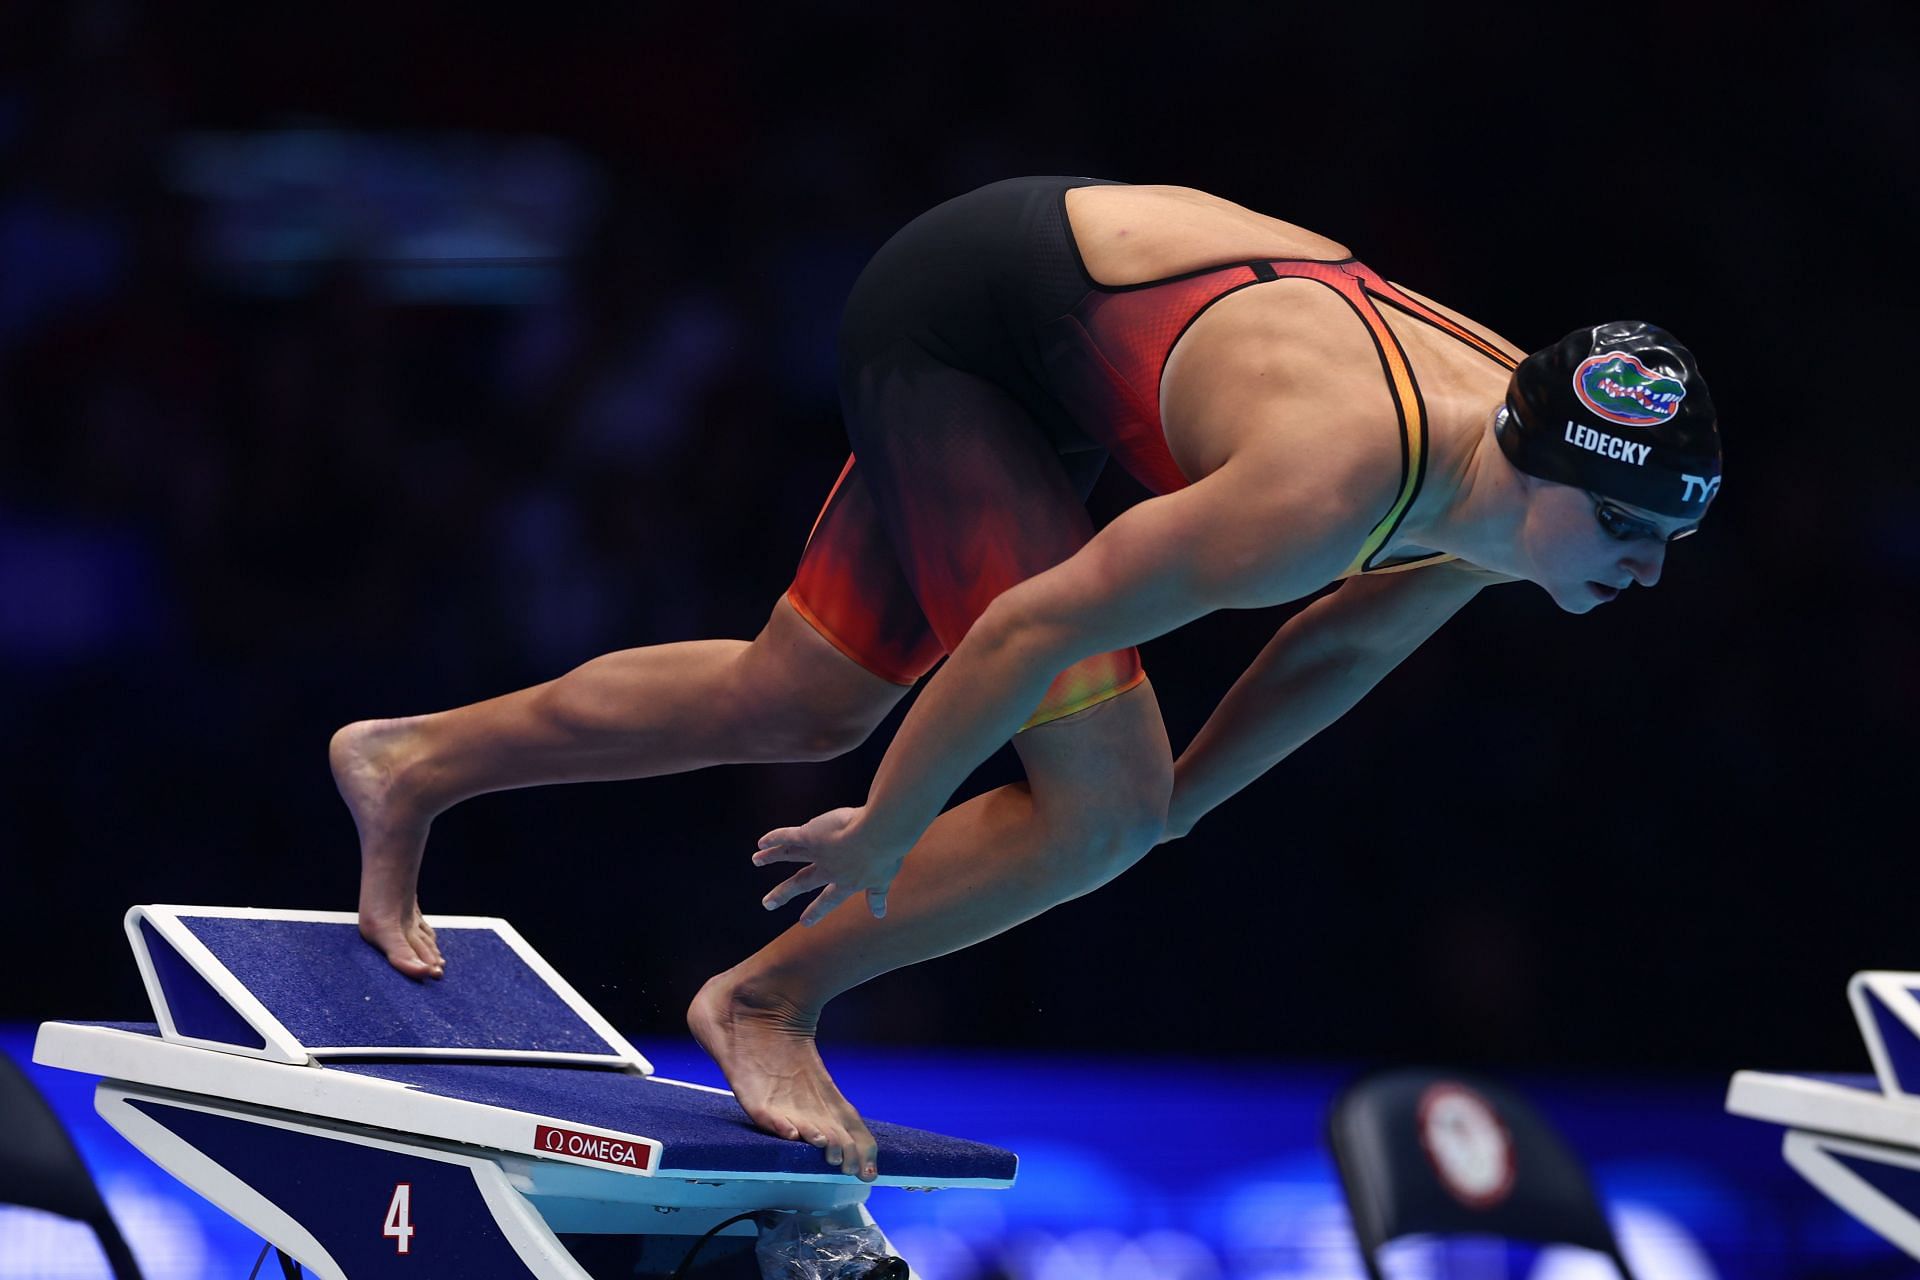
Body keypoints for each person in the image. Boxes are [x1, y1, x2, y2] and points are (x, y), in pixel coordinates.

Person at [331, 176, 1720, 1183]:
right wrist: (887, 827)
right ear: (1545, 475)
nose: (1647, 573)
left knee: (798, 695)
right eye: (1627, 532)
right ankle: (765, 999)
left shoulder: (1500, 493)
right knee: (1079, 804)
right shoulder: (1327, 481)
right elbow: (1023, 636)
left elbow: (1344, 642)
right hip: (969, 331)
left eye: (1672, 540)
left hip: (1056, 332)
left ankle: (409, 758)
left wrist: (1179, 808)